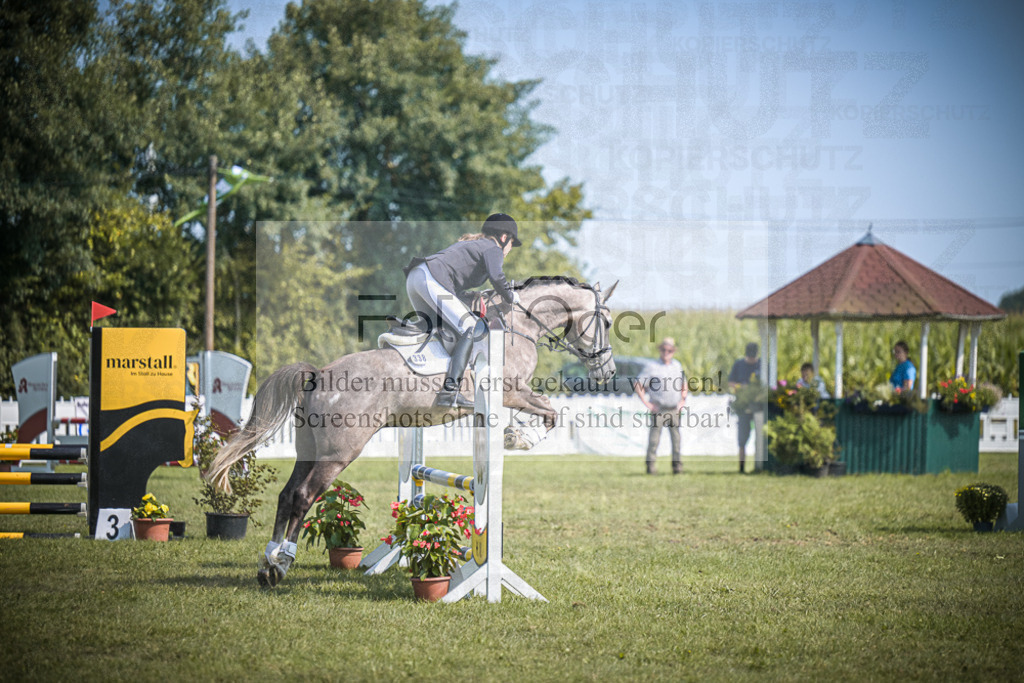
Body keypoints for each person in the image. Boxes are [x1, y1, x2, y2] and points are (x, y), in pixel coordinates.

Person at [404, 213, 521, 409]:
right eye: (511, 243)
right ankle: (450, 392)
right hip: (431, 279)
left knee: (438, 327)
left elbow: (455, 286)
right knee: (472, 327)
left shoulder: (475, 245)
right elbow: (497, 277)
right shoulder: (493, 248)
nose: (510, 249)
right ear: (504, 237)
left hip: (416, 277)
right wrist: (512, 297)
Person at [634, 337, 687, 475]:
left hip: (674, 409)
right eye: (663, 349)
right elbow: (638, 385)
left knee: (676, 440)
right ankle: (650, 467)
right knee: (654, 440)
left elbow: (684, 384)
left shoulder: (677, 366)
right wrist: (647, 404)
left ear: (673, 351)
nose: (666, 352)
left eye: (669, 350)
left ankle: (677, 467)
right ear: (660, 350)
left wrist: (682, 401)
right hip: (659, 409)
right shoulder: (652, 367)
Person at [727, 342, 760, 474]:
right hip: (743, 406)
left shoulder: (762, 365)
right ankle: (741, 467)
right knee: (742, 438)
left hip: (759, 405)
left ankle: (759, 466)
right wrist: (741, 387)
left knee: (760, 435)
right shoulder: (739, 364)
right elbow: (731, 382)